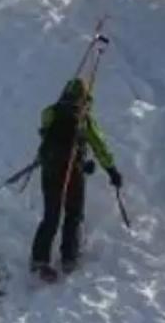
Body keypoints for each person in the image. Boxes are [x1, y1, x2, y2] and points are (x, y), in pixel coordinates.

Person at [33, 78, 122, 279]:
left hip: (49, 170)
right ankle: (69, 257)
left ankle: (39, 258)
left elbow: (46, 135)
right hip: (73, 172)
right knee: (73, 214)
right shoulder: (84, 118)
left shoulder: (49, 112)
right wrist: (111, 170)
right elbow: (99, 145)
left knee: (51, 214)